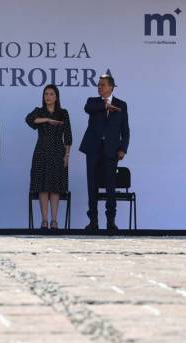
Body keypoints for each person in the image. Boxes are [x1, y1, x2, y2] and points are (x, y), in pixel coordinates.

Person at [79, 73, 130, 231]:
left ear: (111, 87)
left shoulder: (121, 105)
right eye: (98, 84)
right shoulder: (93, 102)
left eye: (102, 85)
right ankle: (93, 221)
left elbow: (125, 130)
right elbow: (88, 108)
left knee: (110, 185)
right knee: (92, 185)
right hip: (93, 148)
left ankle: (110, 221)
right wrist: (105, 106)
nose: (99, 87)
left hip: (111, 150)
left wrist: (123, 148)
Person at [26, 84, 72, 230]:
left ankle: (54, 220)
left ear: (56, 97)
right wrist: (46, 119)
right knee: (43, 186)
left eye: (51, 94)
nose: (48, 96)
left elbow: (68, 136)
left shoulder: (63, 113)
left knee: (55, 187)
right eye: (46, 94)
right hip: (42, 150)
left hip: (58, 150)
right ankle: (44, 220)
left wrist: (67, 155)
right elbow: (29, 120)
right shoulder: (39, 111)